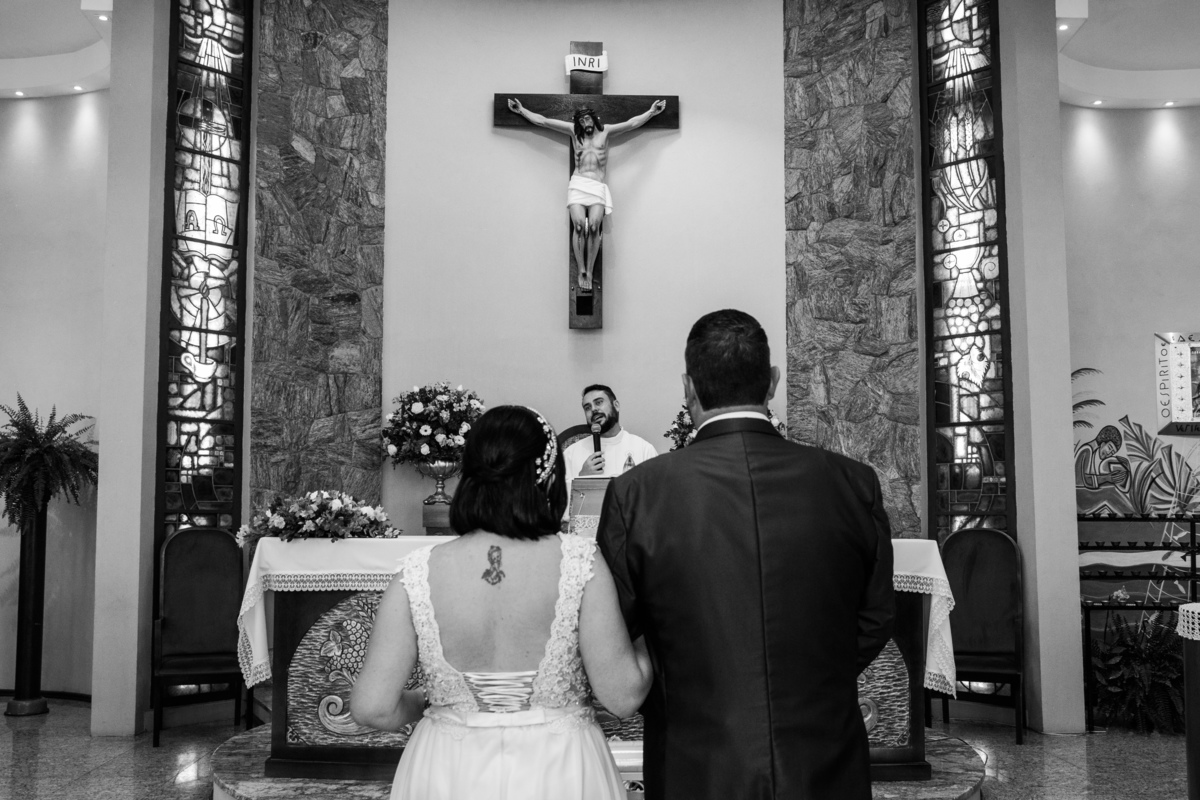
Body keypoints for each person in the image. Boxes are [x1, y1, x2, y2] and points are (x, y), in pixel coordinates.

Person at [597, 309, 896, 800]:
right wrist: (812, 677)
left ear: (688, 387)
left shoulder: (638, 493)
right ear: (772, 382)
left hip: (696, 760)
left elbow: (618, 627)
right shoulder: (851, 482)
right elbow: (877, 614)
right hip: (823, 755)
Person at [352, 405, 653, 800]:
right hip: (558, 770)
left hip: (448, 770)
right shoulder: (579, 563)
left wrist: (428, 700)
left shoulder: (415, 573)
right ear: (548, 476)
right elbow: (622, 696)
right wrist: (650, 634)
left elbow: (371, 706)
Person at [506, 98, 667, 291]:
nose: (585, 124)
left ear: (594, 118)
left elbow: (631, 123)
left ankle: (589, 271)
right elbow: (543, 121)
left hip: (597, 185)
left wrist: (652, 112)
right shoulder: (574, 132)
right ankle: (581, 269)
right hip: (578, 183)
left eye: (587, 120)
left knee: (594, 227)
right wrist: (522, 110)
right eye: (581, 122)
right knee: (580, 226)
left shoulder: (606, 131)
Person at [562, 384, 658, 480]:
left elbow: (656, 491)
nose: (593, 409)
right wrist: (581, 478)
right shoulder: (571, 454)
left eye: (599, 402)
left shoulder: (644, 450)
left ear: (616, 405)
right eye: (587, 407)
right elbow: (560, 493)